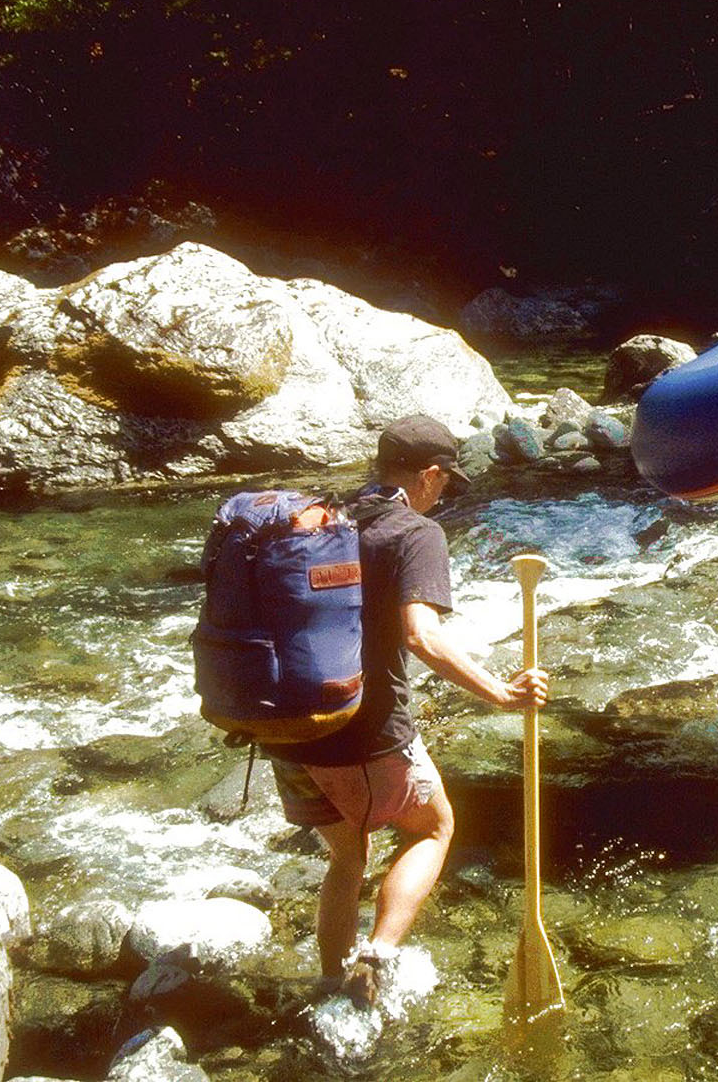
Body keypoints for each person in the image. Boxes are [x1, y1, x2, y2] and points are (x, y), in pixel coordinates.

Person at [261, 414, 549, 1007]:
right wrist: (501, 692)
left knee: (347, 854)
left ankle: (330, 986)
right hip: (361, 733)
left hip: (283, 726)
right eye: (445, 482)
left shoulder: (323, 518)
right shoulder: (415, 532)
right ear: (429, 474)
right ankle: (376, 958)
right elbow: (421, 635)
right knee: (434, 827)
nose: (442, 495)